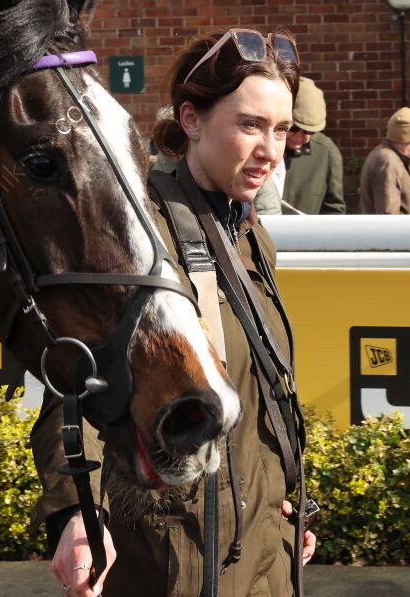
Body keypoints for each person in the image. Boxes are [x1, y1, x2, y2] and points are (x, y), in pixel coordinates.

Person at [32, 29, 315, 597]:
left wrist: (291, 497)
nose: (270, 149)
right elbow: (73, 386)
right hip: (170, 558)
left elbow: (256, 387)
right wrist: (73, 516)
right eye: (250, 124)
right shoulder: (139, 230)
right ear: (191, 120)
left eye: (281, 129)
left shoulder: (254, 238)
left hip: (264, 557)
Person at [280, 77, 345, 215]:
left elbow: (333, 211)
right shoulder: (257, 145)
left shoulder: (326, 152)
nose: (302, 138)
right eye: (293, 129)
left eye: (311, 131)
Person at [358, 107, 410, 215]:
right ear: (405, 137)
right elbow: (388, 218)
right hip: (398, 232)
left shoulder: (391, 158)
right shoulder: (387, 162)